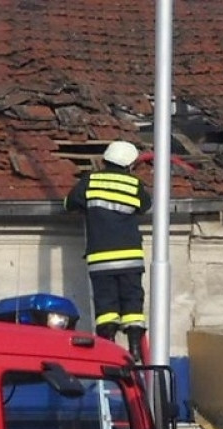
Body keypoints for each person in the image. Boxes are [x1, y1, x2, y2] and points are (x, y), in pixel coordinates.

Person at [64, 140, 151, 361]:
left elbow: (69, 203)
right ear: (129, 164)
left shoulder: (90, 181)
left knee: (106, 306)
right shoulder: (133, 184)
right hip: (130, 257)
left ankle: (109, 348)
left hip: (101, 257)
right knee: (133, 303)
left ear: (105, 160)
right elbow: (145, 205)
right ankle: (134, 348)